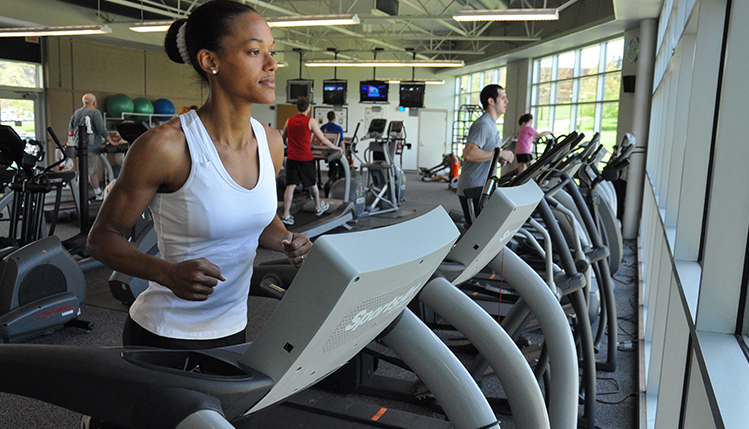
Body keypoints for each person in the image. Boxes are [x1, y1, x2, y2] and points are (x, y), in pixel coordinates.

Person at [87, 0, 311, 354]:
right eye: (255, 51)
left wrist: (287, 239)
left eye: (272, 52)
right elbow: (102, 239)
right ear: (210, 61)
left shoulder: (271, 142)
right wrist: (166, 273)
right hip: (164, 335)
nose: (271, 64)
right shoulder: (166, 147)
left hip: (233, 329)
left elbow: (259, 220)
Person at [280, 96, 343, 225]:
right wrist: (336, 147)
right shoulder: (311, 121)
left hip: (292, 157)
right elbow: (323, 139)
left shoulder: (289, 120)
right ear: (308, 108)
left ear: (297, 107)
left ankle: (286, 214)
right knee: (312, 184)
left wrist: (291, 146)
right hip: (305, 158)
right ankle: (318, 207)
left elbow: (283, 138)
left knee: (290, 186)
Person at [456, 84, 515, 221]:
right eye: (503, 98)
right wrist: (499, 154)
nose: (506, 101)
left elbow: (483, 153)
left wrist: (496, 158)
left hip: (482, 188)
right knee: (476, 234)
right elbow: (469, 154)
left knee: (483, 231)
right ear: (491, 101)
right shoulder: (483, 125)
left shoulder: (491, 125)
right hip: (473, 189)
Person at [68, 93, 117, 200]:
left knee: (92, 171)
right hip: (90, 148)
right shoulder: (95, 112)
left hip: (79, 146)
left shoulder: (77, 113)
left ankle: (98, 192)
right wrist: (111, 141)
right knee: (85, 172)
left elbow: (70, 128)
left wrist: (74, 141)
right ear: (94, 103)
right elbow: (101, 129)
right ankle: (80, 198)